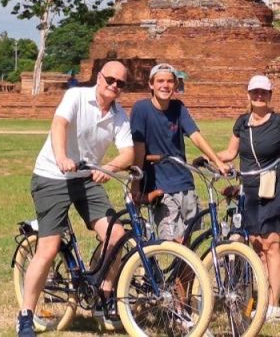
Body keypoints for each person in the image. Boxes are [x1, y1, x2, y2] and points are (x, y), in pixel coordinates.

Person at [16, 61, 134, 337]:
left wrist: (111, 168)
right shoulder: (76, 96)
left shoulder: (118, 115)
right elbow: (59, 124)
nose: (114, 86)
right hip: (52, 176)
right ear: (98, 77)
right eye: (110, 79)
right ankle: (25, 315)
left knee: (117, 235)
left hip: (86, 177)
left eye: (121, 83)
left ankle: (103, 294)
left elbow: (128, 152)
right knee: (49, 247)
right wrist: (61, 157)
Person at [216, 74, 280, 323]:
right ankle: (261, 299)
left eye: (264, 92)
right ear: (249, 95)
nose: (259, 96)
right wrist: (212, 158)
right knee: (256, 246)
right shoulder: (242, 122)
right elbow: (231, 152)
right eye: (255, 92)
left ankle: (274, 305)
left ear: (270, 95)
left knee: (272, 245)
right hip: (249, 188)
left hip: (273, 187)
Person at [130, 62, 229, 241]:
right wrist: (136, 182)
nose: (165, 85)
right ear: (151, 84)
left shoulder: (178, 108)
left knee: (189, 238)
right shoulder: (141, 109)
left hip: (184, 181)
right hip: (159, 183)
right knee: (175, 242)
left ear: (175, 85)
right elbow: (139, 149)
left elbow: (195, 136)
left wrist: (218, 161)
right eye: (160, 81)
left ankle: (187, 270)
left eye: (169, 81)